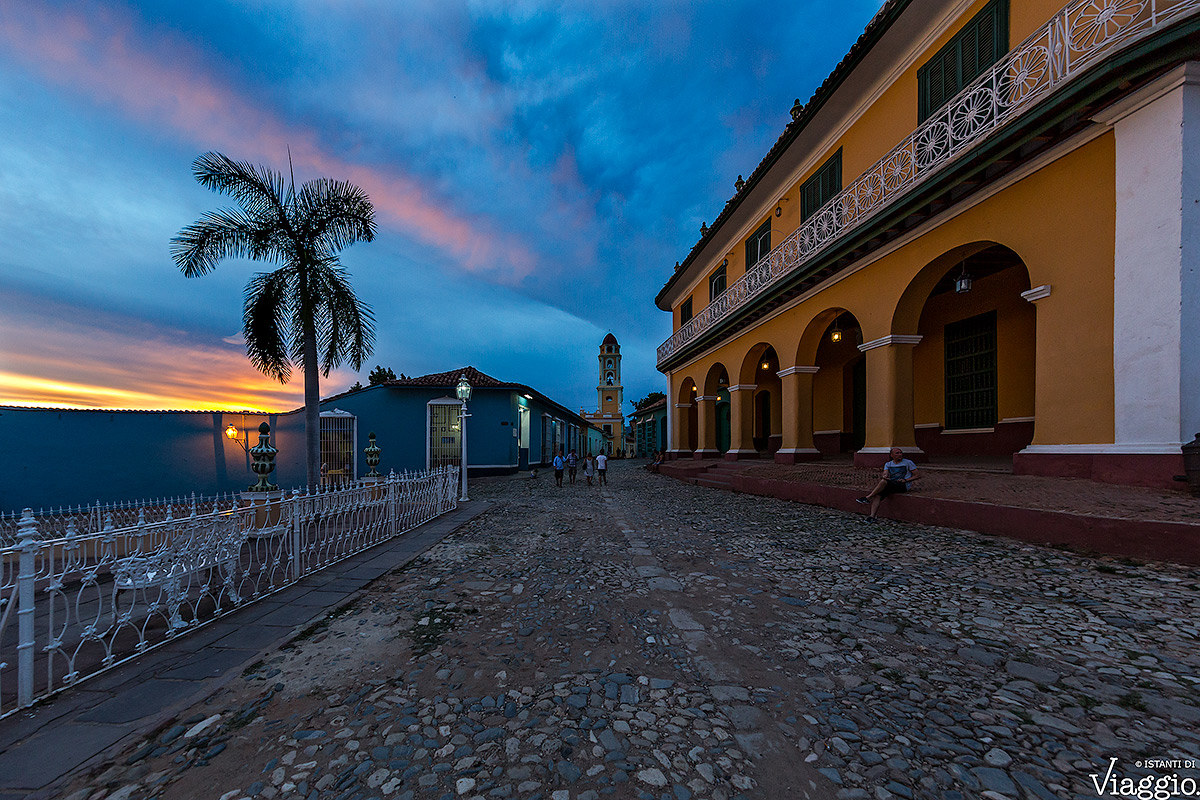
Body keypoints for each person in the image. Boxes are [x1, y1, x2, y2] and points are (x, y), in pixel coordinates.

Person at [856, 447, 919, 521]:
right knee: (878, 494)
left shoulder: (908, 462)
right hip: (891, 484)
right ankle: (872, 516)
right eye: (897, 453)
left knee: (883, 482)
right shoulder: (888, 464)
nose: (900, 454)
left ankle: (868, 497)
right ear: (891, 455)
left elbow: (917, 475)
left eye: (900, 453)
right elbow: (885, 473)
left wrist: (905, 480)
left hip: (903, 485)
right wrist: (885, 475)